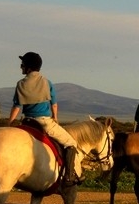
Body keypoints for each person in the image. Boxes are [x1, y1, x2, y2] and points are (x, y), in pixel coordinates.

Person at [8, 52, 84, 186]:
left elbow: (16, 107)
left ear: (29, 68)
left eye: (22, 65)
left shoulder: (20, 84)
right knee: (71, 143)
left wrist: (9, 123)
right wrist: (55, 117)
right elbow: (54, 104)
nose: (21, 67)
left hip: (27, 121)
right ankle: (69, 176)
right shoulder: (47, 83)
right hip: (44, 122)